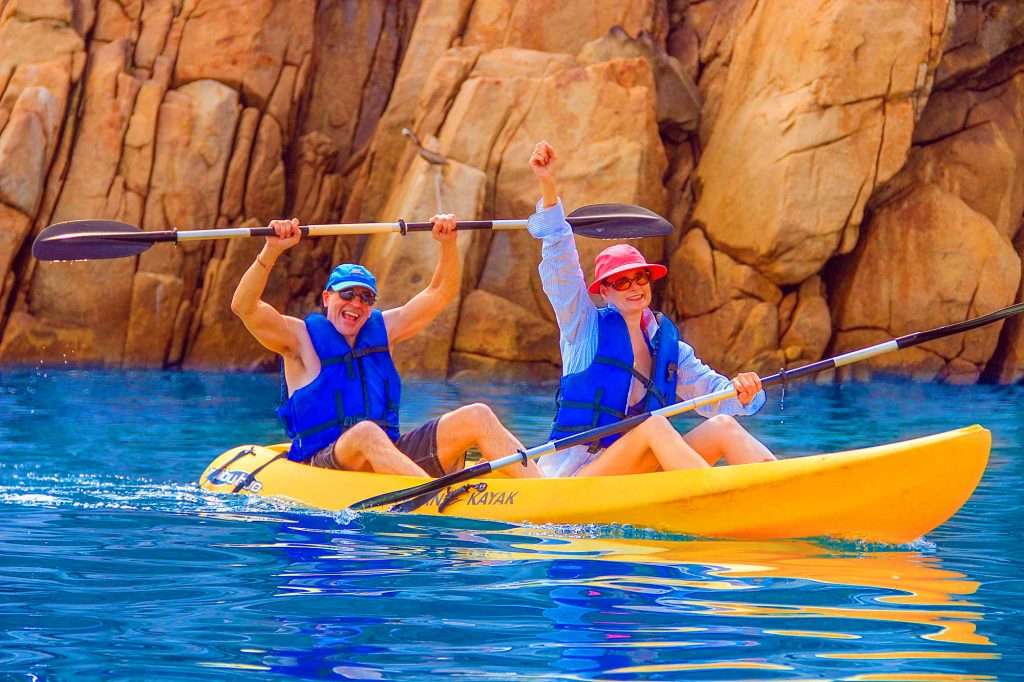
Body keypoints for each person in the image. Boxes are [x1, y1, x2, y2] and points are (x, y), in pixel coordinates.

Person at [526, 141, 776, 477]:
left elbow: (713, 394)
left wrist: (743, 392)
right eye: (622, 281)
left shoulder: (666, 346)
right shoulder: (582, 327)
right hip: (578, 474)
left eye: (640, 277)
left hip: (633, 472)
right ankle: (715, 499)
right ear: (604, 292)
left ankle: (787, 489)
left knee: (722, 426)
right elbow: (561, 264)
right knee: (655, 427)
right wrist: (548, 185)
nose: (635, 287)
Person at [231, 214, 540, 478]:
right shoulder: (298, 339)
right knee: (366, 432)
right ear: (327, 298)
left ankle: (544, 490)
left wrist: (447, 243)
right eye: (347, 294)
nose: (356, 304)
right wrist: (272, 250)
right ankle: (437, 498)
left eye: (366, 298)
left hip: (387, 454)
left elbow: (441, 293)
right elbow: (244, 307)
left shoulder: (383, 329)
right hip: (326, 463)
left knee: (478, 414)